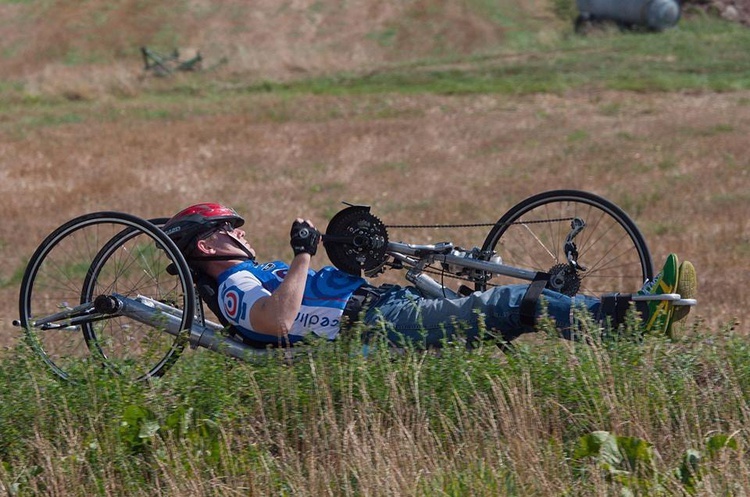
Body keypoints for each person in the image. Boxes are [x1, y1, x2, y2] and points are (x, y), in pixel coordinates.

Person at [163, 203, 697, 348]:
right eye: (230, 230)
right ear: (209, 244)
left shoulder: (248, 272)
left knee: (487, 298)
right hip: (370, 327)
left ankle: (627, 316)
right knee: (509, 306)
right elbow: (278, 321)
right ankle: (629, 319)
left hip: (376, 309)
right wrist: (302, 255)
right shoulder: (235, 285)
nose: (244, 236)